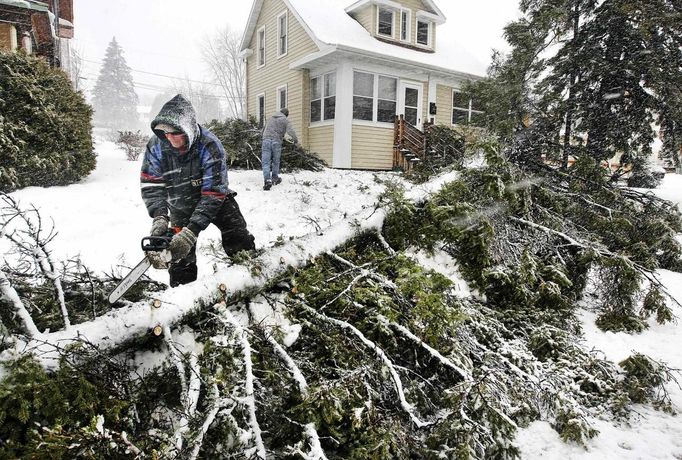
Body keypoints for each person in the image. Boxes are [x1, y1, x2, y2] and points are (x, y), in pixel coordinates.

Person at [141, 94, 256, 287]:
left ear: (188, 129)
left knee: (238, 236)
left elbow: (213, 192)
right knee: (179, 256)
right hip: (180, 204)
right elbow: (152, 184)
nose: (169, 138)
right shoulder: (156, 146)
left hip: (216, 201)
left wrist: (192, 231)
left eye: (175, 133)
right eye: (165, 133)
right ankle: (184, 298)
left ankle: (252, 274)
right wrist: (160, 216)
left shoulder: (209, 146)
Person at [261, 107, 299, 190]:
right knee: (276, 161)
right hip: (276, 141)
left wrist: (263, 138)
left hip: (266, 140)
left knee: (266, 161)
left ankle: (267, 180)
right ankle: (274, 178)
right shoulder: (285, 120)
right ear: (286, 114)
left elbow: (263, 129)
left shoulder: (270, 118)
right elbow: (291, 131)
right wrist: (295, 140)